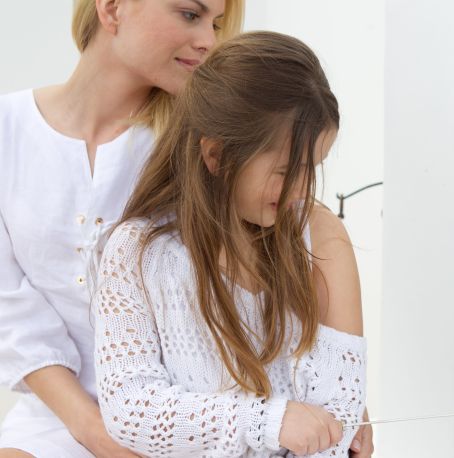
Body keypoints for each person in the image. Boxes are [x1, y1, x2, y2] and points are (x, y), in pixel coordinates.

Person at [0, 1, 372, 456]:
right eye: (190, 14)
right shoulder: (9, 131)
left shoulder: (209, 138)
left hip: (208, 415)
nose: (209, 41)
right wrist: (96, 430)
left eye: (217, 23)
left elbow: (289, 246)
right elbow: (10, 310)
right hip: (75, 413)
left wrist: (337, 398)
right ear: (112, 8)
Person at [92, 30, 366, 456]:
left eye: (312, 167)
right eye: (284, 171)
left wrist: (330, 430)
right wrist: (267, 421)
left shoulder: (321, 236)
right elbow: (130, 408)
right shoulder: (138, 251)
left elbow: (341, 411)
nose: (301, 189)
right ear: (216, 156)